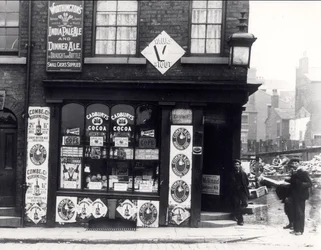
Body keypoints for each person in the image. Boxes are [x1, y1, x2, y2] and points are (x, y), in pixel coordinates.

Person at [285, 159, 312, 235]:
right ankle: (296, 229)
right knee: (295, 212)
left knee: (300, 213)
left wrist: (299, 184)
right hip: (294, 195)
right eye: (292, 163)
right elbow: (293, 183)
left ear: (298, 163)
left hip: (301, 196)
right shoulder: (294, 172)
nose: (294, 165)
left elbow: (309, 184)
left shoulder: (303, 172)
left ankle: (300, 230)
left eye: (295, 163)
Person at [230, 159, 250, 226]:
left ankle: (235, 213)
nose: (236, 166)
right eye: (235, 164)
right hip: (234, 191)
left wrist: (244, 188)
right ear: (233, 166)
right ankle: (240, 220)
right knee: (237, 204)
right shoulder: (231, 173)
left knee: (245, 203)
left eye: (238, 164)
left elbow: (247, 182)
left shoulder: (243, 173)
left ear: (240, 165)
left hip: (242, 191)